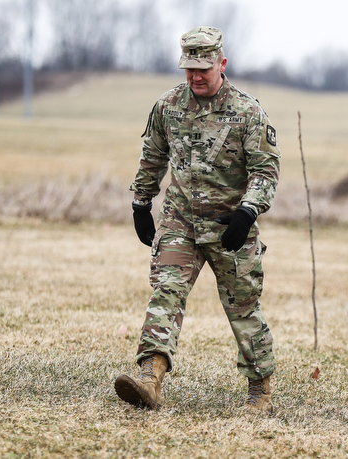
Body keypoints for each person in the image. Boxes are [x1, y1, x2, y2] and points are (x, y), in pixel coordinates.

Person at [114, 26, 281, 415]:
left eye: (203, 68)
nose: (196, 77)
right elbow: (152, 157)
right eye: (189, 69)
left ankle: (260, 390)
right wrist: (141, 203)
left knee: (243, 307)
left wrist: (248, 211)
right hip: (181, 221)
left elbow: (266, 172)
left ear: (221, 63)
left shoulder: (248, 112)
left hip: (230, 226)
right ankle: (149, 377)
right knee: (165, 292)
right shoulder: (168, 106)